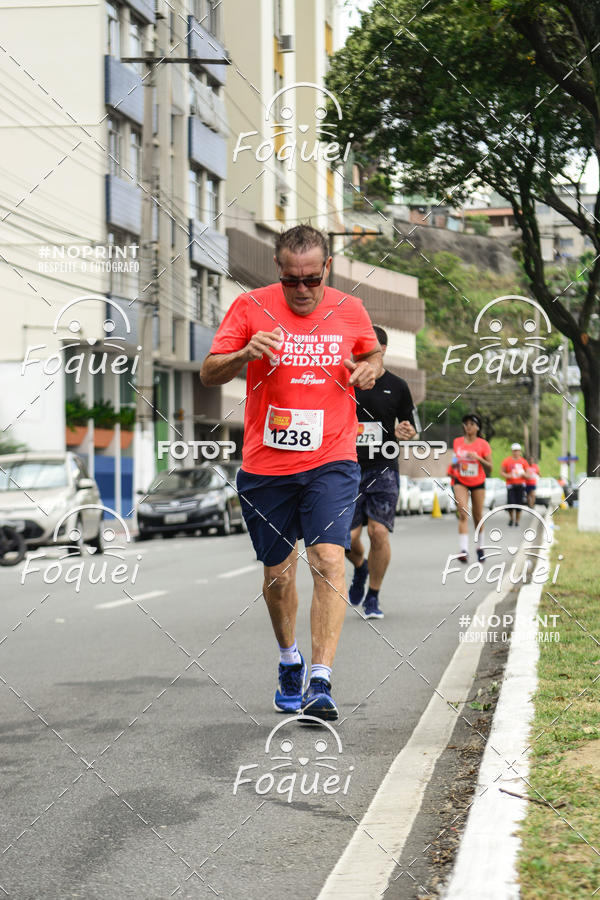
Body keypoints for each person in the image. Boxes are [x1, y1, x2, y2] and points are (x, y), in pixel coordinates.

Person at [200, 224, 382, 722]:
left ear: (327, 268)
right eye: (290, 280)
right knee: (278, 574)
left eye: (310, 279)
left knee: (328, 557)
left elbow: (370, 353)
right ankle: (289, 658)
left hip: (332, 458)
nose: (301, 289)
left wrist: (371, 368)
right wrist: (243, 353)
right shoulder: (249, 307)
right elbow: (209, 370)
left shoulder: (351, 310)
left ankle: (320, 681)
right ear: (277, 271)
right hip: (266, 464)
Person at [346, 325, 416, 619]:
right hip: (347, 467)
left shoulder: (397, 386)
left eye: (367, 347)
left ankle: (373, 596)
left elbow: (409, 426)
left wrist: (406, 431)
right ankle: (361, 568)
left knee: (378, 532)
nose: (360, 352)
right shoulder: (344, 382)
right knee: (346, 539)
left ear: (381, 350)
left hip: (383, 467)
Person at [452, 414, 492, 563]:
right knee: (463, 513)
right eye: (466, 424)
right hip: (460, 480)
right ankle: (463, 550)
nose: (468, 426)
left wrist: (478, 458)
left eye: (472, 424)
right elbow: (455, 459)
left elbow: (490, 467)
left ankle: (480, 547)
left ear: (477, 427)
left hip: (478, 482)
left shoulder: (483, 444)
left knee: (477, 516)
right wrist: (454, 468)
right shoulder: (457, 442)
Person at [500, 442, 529, 526]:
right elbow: (502, 472)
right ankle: (511, 519)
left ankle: (517, 521)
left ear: (520, 451)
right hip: (510, 485)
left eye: (518, 451)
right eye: (514, 451)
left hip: (520, 485)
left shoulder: (523, 462)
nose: (516, 452)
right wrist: (507, 475)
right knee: (511, 503)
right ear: (512, 451)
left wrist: (523, 474)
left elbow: (528, 475)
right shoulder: (507, 461)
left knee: (519, 504)